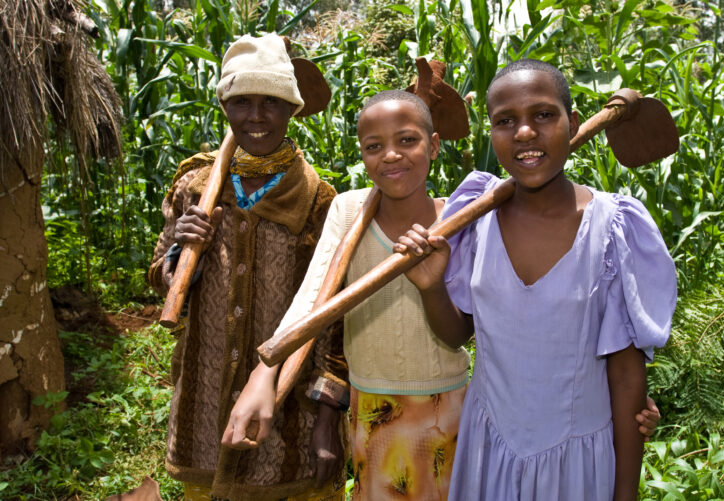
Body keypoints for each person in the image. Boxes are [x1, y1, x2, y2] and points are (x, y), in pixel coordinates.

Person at [226, 81, 664, 499]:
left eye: (408, 141)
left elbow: (505, 329)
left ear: (433, 146)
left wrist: (616, 404)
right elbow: (314, 298)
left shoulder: (464, 219)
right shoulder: (360, 209)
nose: (392, 156)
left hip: (456, 417)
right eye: (374, 147)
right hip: (380, 414)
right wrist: (264, 371)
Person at [395, 58, 676, 500]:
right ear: (491, 132)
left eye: (543, 115)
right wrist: (431, 286)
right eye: (506, 121)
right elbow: (455, 335)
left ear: (573, 123)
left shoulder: (611, 228)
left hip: (578, 461)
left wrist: (624, 493)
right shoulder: (475, 218)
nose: (525, 133)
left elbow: (625, 376)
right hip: (490, 451)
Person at [147, 34, 348, 501]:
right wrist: (182, 253)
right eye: (241, 102)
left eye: (271, 103)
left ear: (291, 109)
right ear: (224, 107)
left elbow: (333, 322)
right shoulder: (195, 188)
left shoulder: (320, 200)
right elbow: (160, 277)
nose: (255, 117)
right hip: (203, 413)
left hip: (287, 422)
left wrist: (326, 419)